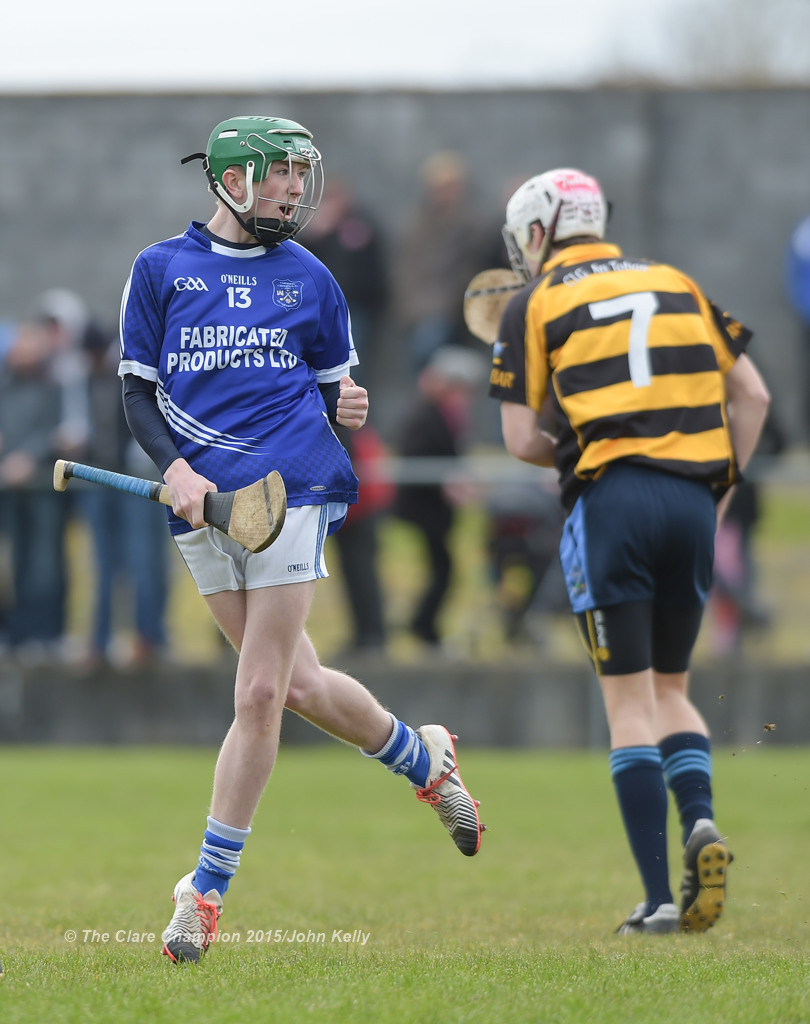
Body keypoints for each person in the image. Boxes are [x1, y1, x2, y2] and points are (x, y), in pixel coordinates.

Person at [117, 115, 484, 965]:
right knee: (298, 687)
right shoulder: (160, 271)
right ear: (233, 180)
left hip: (293, 491)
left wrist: (349, 407)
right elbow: (137, 396)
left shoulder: (312, 277)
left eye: (299, 176)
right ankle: (423, 758)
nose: (293, 189)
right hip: (204, 505)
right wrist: (174, 469)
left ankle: (202, 893)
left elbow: (336, 391)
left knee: (255, 695)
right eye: (280, 174)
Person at [488, 168, 770, 935]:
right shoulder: (676, 279)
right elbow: (756, 396)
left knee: (627, 704)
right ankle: (700, 822)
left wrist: (580, 439)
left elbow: (519, 440)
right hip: (691, 500)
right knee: (672, 688)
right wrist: (721, 488)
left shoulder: (536, 300)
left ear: (541, 231)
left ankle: (655, 902)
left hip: (613, 501)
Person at [391, 345, 487, 649]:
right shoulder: (425, 416)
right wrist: (447, 483)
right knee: (443, 570)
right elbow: (418, 457)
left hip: (435, 510)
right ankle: (423, 628)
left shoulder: (443, 415)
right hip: (423, 509)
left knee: (444, 569)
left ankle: (424, 627)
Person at [393, 151, 493, 372]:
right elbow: (407, 267)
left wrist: (449, 304)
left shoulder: (470, 223)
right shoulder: (419, 222)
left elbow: (471, 268)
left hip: (450, 311)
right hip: (419, 310)